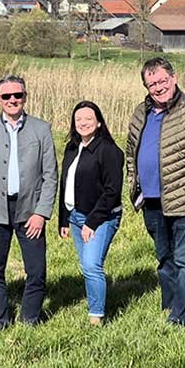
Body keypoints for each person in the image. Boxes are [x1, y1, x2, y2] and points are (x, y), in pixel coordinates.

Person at [125, 57, 185, 326]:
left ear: (174, 78)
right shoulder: (140, 113)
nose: (158, 87)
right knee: (164, 260)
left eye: (162, 81)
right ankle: (170, 305)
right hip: (151, 201)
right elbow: (131, 151)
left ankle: (180, 317)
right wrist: (134, 185)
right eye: (152, 84)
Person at [0, 74, 57, 330]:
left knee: (36, 270)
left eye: (17, 95)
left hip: (30, 210)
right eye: (6, 96)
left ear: (25, 97)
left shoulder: (41, 129)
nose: (12, 100)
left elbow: (50, 175)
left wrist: (41, 213)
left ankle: (30, 319)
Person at [57, 101, 124, 326]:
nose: (83, 123)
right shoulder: (72, 148)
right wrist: (64, 219)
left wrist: (92, 222)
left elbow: (112, 191)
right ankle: (95, 302)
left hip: (101, 217)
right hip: (75, 216)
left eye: (88, 118)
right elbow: (65, 184)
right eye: (78, 119)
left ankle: (96, 317)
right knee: (87, 264)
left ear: (99, 122)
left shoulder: (108, 150)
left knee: (91, 265)